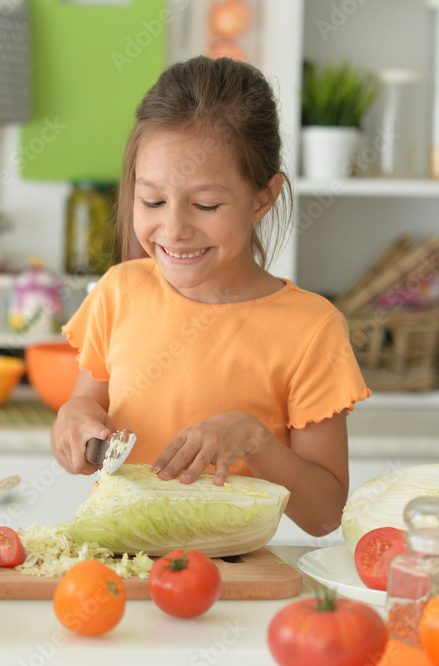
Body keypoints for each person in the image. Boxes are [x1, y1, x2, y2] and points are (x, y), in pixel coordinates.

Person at [51, 56, 369, 537]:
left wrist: (255, 440)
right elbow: (86, 410)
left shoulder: (311, 328)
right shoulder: (119, 291)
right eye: (152, 200)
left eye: (205, 205)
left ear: (262, 199)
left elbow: (324, 515)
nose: (174, 229)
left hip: (233, 576)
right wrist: (74, 420)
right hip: (120, 564)